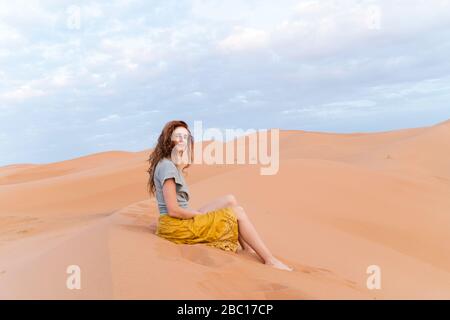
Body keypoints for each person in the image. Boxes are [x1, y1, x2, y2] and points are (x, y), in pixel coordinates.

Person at [147, 120, 293, 271]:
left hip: (176, 221)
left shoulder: (169, 164)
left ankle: (248, 250)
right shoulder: (167, 167)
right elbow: (173, 210)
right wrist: (198, 215)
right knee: (238, 212)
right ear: (168, 139)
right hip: (177, 225)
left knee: (230, 199)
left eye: (186, 136)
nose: (183, 140)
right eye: (178, 136)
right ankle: (270, 260)